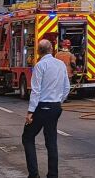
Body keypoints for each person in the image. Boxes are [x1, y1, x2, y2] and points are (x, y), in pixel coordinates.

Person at [22, 39, 70, 178]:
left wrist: (30, 112)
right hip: (55, 107)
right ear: (52, 49)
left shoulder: (40, 66)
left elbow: (36, 91)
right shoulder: (61, 64)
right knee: (51, 141)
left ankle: (33, 174)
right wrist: (59, 101)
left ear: (38, 51)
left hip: (42, 107)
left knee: (27, 137)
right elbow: (66, 87)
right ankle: (53, 175)